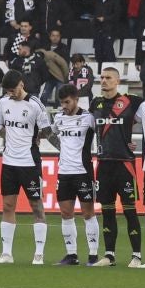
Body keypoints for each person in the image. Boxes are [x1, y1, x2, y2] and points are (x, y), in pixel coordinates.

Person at [91, 66, 145, 267]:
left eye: (108, 78)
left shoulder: (131, 102)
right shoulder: (95, 103)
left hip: (125, 164)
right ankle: (109, 255)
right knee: (106, 211)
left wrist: (133, 142)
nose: (104, 81)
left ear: (117, 81)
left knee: (130, 211)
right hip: (104, 164)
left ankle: (136, 255)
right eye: (102, 78)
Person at [0, 72, 50, 265]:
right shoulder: (3, 103)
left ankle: (39, 254)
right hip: (9, 162)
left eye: (14, 90)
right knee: (8, 206)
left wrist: (42, 138)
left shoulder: (35, 104)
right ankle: (6, 254)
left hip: (29, 162)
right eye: (8, 91)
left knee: (36, 206)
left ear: (21, 84)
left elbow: (47, 131)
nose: (12, 94)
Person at [47, 85, 99, 267]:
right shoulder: (59, 118)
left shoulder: (88, 118)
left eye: (67, 102)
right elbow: (50, 133)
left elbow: (104, 133)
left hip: (83, 172)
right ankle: (71, 254)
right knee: (66, 213)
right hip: (64, 172)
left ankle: (93, 255)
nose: (64, 106)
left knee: (88, 213)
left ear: (76, 99)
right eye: (61, 103)